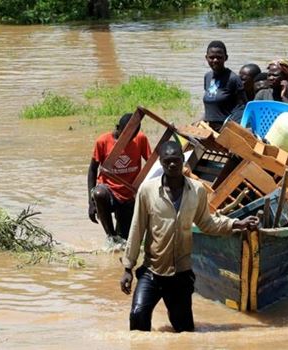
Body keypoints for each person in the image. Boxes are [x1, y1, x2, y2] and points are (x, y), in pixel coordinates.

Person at [120, 141, 259, 332]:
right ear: (161, 162)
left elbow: (207, 223)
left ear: (182, 160)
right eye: (167, 161)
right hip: (153, 271)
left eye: (176, 160)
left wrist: (236, 223)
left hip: (180, 274)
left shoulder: (197, 190)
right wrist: (128, 267)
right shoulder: (147, 191)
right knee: (137, 316)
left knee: (184, 330)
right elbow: (137, 229)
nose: (172, 165)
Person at [87, 113, 152, 243]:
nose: (130, 139)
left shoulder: (140, 139)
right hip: (109, 191)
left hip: (129, 195)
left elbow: (151, 165)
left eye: (134, 135)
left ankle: (118, 240)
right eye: (127, 135)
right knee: (99, 194)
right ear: (118, 128)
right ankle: (110, 237)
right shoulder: (103, 141)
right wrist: (91, 202)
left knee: (124, 240)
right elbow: (92, 170)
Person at [202, 40, 247, 132]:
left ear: (225, 58)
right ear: (206, 58)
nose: (215, 60)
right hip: (209, 127)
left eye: (219, 57)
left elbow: (242, 108)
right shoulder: (208, 76)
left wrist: (229, 127)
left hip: (226, 129)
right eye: (211, 57)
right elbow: (210, 105)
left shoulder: (233, 79)